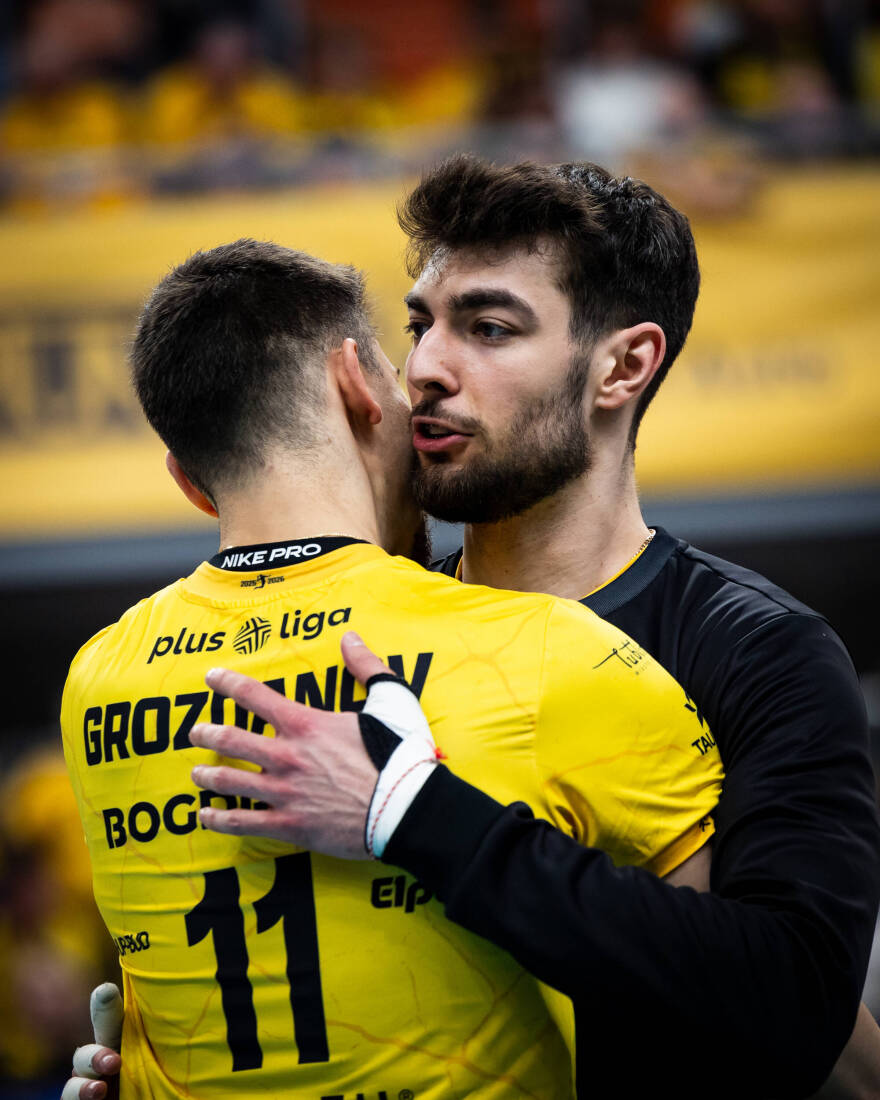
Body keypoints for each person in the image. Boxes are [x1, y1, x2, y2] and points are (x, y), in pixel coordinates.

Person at [69, 157, 880, 1100]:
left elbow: (804, 1013)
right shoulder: (361, 627)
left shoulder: (759, 651)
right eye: (420, 325)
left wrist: (418, 815)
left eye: (489, 328)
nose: (424, 368)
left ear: (623, 366)